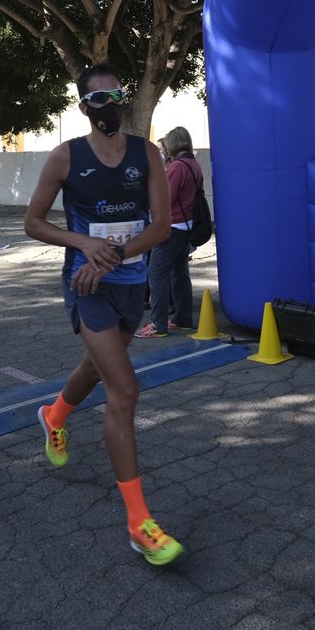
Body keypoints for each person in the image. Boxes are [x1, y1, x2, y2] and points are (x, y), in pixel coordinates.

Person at [24, 63, 184, 566]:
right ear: (84, 107)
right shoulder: (65, 157)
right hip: (84, 284)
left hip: (129, 285)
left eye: (115, 95)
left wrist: (111, 254)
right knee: (124, 389)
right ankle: (139, 522)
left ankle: (54, 415)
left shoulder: (148, 154)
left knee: (97, 367)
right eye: (98, 98)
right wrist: (82, 244)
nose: (108, 104)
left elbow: (161, 227)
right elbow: (33, 222)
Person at [136, 127, 201, 338]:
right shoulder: (194, 164)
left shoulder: (177, 167)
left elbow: (164, 197)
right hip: (186, 227)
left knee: (156, 273)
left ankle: (158, 324)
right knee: (179, 274)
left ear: (172, 144)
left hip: (171, 227)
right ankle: (183, 319)